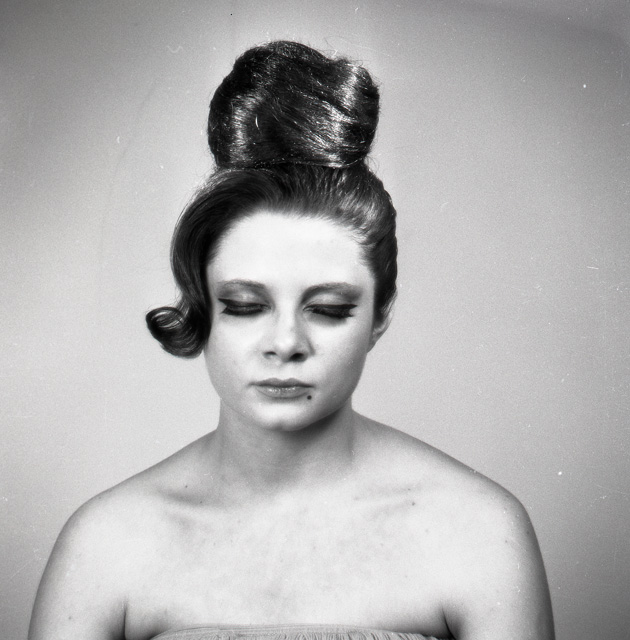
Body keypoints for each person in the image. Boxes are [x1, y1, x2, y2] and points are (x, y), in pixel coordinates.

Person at [28, 41, 554, 640]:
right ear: (201, 306)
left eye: (327, 310)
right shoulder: (106, 546)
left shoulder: (479, 535)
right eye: (245, 306)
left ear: (379, 316)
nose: (285, 342)